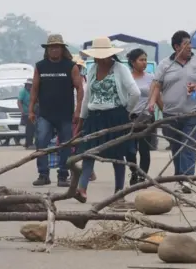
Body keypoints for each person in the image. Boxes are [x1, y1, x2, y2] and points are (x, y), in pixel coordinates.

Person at [148, 30, 196, 194]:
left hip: (193, 113)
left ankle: (187, 180)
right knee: (176, 147)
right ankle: (179, 177)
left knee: (188, 145)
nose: (190, 47)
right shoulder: (165, 64)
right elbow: (156, 85)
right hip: (171, 114)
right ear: (176, 46)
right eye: (186, 44)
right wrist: (152, 102)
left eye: (190, 43)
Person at [74, 36, 140, 203]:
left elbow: (135, 93)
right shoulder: (92, 69)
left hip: (115, 116)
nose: (98, 58)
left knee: (117, 155)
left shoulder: (120, 69)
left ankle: (119, 193)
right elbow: (88, 96)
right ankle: (81, 189)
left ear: (109, 55)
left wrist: (127, 111)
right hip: (94, 117)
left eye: (101, 54)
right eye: (96, 55)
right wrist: (81, 119)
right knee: (89, 154)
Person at [28, 34, 84, 187]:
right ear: (47, 49)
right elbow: (34, 89)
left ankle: (63, 175)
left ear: (62, 49)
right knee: (41, 142)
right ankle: (43, 174)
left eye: (57, 47)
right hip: (45, 114)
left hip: (65, 114)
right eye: (51, 47)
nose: (54, 50)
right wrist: (31, 109)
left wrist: (78, 111)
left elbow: (79, 89)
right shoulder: (40, 66)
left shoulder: (70, 66)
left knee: (65, 145)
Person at [125, 48, 154, 186]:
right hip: (129, 118)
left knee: (144, 149)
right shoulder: (126, 78)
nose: (144, 63)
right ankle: (134, 171)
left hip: (146, 118)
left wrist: (164, 111)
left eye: (145, 60)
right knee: (130, 150)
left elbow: (157, 96)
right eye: (141, 60)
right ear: (132, 62)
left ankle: (142, 176)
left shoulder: (151, 78)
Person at [72, 54, 97, 182]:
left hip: (85, 116)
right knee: (71, 146)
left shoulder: (87, 81)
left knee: (85, 145)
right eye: (75, 66)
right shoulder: (67, 82)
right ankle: (74, 171)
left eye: (79, 67)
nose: (77, 69)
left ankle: (89, 171)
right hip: (70, 117)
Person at [18, 78, 35, 149]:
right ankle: (28, 143)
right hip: (26, 113)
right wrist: (22, 112)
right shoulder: (23, 91)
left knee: (33, 128)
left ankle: (29, 143)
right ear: (26, 85)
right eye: (28, 85)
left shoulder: (33, 91)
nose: (29, 86)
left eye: (30, 85)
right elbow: (19, 102)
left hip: (33, 112)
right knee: (29, 128)